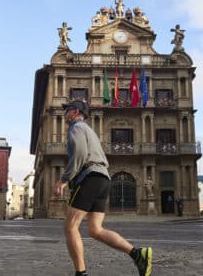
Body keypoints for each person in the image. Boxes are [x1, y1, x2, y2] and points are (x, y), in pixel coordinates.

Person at [53, 100, 152, 276]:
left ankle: (81, 273)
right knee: (95, 230)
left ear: (75, 112)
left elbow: (80, 154)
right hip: (103, 178)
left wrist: (64, 179)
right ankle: (138, 254)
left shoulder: (76, 127)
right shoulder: (89, 130)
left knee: (70, 226)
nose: (64, 113)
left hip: (89, 178)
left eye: (67, 110)